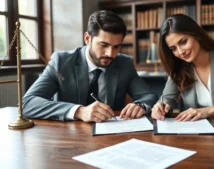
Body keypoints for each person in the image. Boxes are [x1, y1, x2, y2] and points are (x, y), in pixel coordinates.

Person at [23, 10, 157, 122]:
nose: (110, 54)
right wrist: (79, 111)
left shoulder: (124, 63)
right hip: (68, 138)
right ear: (87, 39)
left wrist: (140, 105)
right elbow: (27, 103)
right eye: (104, 45)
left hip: (111, 136)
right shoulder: (61, 62)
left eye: (116, 47)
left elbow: (149, 95)